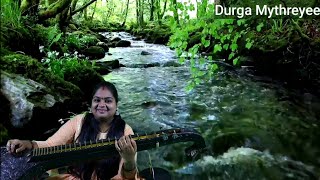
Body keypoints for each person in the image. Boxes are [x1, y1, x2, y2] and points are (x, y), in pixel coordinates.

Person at [6, 81, 139, 180]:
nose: (102, 105)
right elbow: (51, 145)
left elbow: (128, 177)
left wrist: (129, 160)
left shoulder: (126, 131)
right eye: (97, 100)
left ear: (116, 105)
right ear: (91, 104)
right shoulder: (79, 121)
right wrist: (28, 144)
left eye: (108, 101)